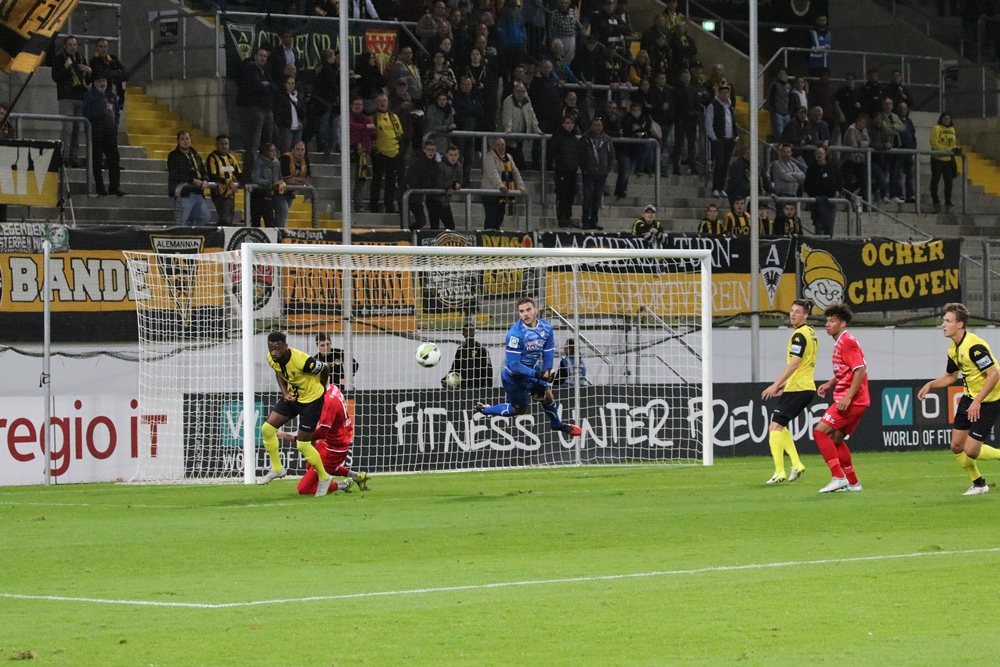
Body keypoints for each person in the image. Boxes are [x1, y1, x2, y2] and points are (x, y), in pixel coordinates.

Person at [917, 302, 1000, 496]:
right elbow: (950, 377)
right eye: (944, 320)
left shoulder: (974, 347)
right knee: (956, 446)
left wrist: (978, 401)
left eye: (948, 321)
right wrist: (931, 385)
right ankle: (979, 484)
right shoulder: (953, 349)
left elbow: (994, 374)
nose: (943, 325)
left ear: (960, 324)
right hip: (970, 398)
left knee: (971, 450)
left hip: (989, 400)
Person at [474, 297, 582, 438]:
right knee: (519, 410)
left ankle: (557, 424)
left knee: (548, 396)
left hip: (532, 371)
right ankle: (486, 410)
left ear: (536, 310)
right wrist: (538, 375)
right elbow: (514, 366)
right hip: (514, 378)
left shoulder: (546, 328)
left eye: (528, 310)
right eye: (521, 311)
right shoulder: (515, 334)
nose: (525, 314)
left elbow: (548, 352)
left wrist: (546, 373)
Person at [257, 332, 337, 497]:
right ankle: (277, 468)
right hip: (293, 397)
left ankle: (324, 477)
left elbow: (325, 368)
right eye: (271, 349)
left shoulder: (303, 361)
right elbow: (279, 372)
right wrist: (285, 392)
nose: (273, 353)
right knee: (267, 429)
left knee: (302, 444)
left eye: (277, 349)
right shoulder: (272, 359)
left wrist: (323, 388)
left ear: (285, 347)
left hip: (311, 400)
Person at [276, 382, 369, 495]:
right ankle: (356, 476)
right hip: (331, 441)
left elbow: (322, 433)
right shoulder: (332, 388)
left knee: (303, 489)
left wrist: (294, 438)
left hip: (334, 449)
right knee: (310, 464)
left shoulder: (329, 402)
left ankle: (342, 485)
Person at [760, 299, 816, 484]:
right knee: (779, 426)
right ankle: (796, 464)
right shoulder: (811, 333)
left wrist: (776, 384)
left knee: (774, 427)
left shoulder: (799, 335)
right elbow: (804, 364)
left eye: (797, 312)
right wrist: (785, 384)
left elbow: (795, 363)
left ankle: (779, 472)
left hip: (798, 387)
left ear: (805, 315)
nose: (793, 314)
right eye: (791, 311)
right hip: (804, 386)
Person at [815, 303, 868, 493]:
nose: (828, 324)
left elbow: (860, 370)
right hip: (857, 400)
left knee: (819, 433)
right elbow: (847, 371)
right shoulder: (842, 341)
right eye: (827, 321)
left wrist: (847, 397)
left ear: (843, 323)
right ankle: (853, 482)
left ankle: (837, 477)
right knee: (835, 439)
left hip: (852, 400)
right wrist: (831, 383)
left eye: (833, 321)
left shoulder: (847, 342)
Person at [51, 35, 91, 168]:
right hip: (66, 96)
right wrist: (66, 66)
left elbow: (87, 81)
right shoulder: (59, 59)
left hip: (80, 96)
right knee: (68, 128)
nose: (73, 47)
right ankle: (63, 155)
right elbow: (56, 78)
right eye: (70, 45)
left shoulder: (80, 58)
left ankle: (74, 158)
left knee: (77, 130)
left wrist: (89, 71)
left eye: (75, 45)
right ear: (65, 46)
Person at [235, 47, 274, 180]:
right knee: (253, 144)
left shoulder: (266, 72)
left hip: (267, 109)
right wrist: (266, 87)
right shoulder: (250, 69)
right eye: (261, 55)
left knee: (267, 144)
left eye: (265, 56)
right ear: (255, 56)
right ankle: (248, 174)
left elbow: (275, 88)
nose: (263, 58)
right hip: (254, 109)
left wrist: (267, 85)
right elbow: (254, 86)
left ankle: (265, 173)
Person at [81, 73, 123, 198]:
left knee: (114, 160)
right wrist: (102, 112)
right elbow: (86, 113)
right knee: (97, 161)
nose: (102, 84)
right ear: (94, 83)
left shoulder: (111, 96)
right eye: (100, 81)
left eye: (104, 81)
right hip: (97, 132)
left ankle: (114, 187)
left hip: (110, 132)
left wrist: (115, 124)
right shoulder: (89, 96)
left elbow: (117, 112)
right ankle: (100, 187)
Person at [370, 92, 404, 214]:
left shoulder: (394, 117)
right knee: (377, 180)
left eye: (384, 101)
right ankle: (373, 206)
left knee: (391, 182)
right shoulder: (372, 117)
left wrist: (399, 151)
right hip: (379, 154)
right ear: (376, 103)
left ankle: (389, 206)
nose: (382, 103)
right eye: (380, 101)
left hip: (393, 153)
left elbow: (400, 135)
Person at [167, 131, 212, 225]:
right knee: (183, 220)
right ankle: (183, 233)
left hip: (197, 192)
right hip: (184, 194)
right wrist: (192, 180)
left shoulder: (195, 155)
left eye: (187, 139)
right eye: (182, 139)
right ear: (178, 141)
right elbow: (175, 174)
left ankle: (194, 232)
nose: (185, 141)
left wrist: (205, 180)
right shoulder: (173, 155)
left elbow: (203, 170)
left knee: (205, 216)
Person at [481, 137, 526, 230]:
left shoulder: (509, 157)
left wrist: (520, 185)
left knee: (499, 218)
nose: (501, 147)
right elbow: (493, 174)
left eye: (502, 145)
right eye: (498, 145)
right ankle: (487, 236)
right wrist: (501, 186)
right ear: (493, 147)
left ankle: (495, 236)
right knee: (491, 218)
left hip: (501, 194)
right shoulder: (489, 157)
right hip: (490, 192)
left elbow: (515, 173)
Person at [579, 117, 614, 231]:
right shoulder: (585, 139)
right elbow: (581, 155)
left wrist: (607, 168)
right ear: (591, 126)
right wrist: (584, 168)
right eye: (594, 125)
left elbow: (611, 155)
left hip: (602, 174)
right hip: (588, 173)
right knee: (588, 198)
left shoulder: (607, 139)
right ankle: (585, 221)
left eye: (599, 125)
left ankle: (594, 221)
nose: (597, 127)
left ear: (602, 126)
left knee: (597, 198)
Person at [803, 146, 842, 236]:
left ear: (825, 154)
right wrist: (813, 196)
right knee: (819, 225)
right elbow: (807, 185)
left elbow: (839, 181)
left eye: (820, 153)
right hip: (817, 201)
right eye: (817, 153)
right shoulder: (812, 169)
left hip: (830, 200)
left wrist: (838, 191)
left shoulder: (833, 167)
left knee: (829, 226)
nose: (818, 155)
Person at [705, 84, 735, 198]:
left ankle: (722, 187)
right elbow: (709, 122)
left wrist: (735, 135)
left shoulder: (730, 106)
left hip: (729, 139)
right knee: (719, 163)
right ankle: (715, 188)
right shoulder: (713, 106)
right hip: (719, 139)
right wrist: (714, 137)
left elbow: (732, 121)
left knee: (726, 164)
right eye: (722, 92)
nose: (725, 95)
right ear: (719, 93)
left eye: (727, 93)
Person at [442, 323, 494, 389]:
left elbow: (488, 370)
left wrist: (489, 388)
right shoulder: (460, 350)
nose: (469, 333)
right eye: (466, 331)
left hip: (479, 387)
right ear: (463, 334)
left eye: (470, 331)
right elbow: (455, 369)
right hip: (464, 387)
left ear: (474, 332)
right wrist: (445, 379)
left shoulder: (481, 349)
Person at [404, 139, 442, 230]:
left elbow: (435, 181)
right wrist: (426, 184)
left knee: (421, 220)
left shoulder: (435, 165)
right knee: (405, 222)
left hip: (417, 195)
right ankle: (407, 235)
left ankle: (410, 234)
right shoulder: (416, 162)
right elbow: (412, 181)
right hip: (406, 193)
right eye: (429, 149)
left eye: (432, 150)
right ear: (424, 150)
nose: (431, 152)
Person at [551, 115, 581, 228]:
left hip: (572, 171)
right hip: (561, 171)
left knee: (570, 195)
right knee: (562, 195)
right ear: (563, 124)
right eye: (567, 123)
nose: (569, 126)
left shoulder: (574, 138)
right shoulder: (557, 136)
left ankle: (568, 217)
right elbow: (553, 152)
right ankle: (561, 218)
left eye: (571, 123)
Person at [206, 135, 242, 225]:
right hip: (219, 194)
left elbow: (238, 173)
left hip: (230, 194)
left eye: (226, 144)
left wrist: (245, 182)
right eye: (221, 144)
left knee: (229, 219)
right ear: (216, 145)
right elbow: (212, 175)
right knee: (225, 219)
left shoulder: (231, 158)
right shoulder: (212, 157)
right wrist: (227, 181)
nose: (224, 146)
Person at [275, 140, 311, 228]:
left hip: (290, 192)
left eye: (302, 150)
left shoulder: (305, 160)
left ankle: (277, 231)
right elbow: (287, 180)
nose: (300, 152)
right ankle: (281, 234)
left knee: (281, 215)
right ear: (292, 150)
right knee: (284, 213)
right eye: (298, 149)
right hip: (278, 192)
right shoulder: (285, 158)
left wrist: (294, 178)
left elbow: (307, 179)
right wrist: (300, 180)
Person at [88, 38, 127, 111]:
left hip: (116, 94)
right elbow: (102, 74)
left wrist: (113, 73)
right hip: (101, 95)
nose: (103, 49)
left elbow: (125, 74)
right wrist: (117, 73)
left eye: (105, 47)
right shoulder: (94, 61)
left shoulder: (113, 59)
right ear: (96, 48)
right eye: (101, 46)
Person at [930, 112, 959, 207]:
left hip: (948, 159)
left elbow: (953, 143)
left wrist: (951, 150)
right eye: (945, 118)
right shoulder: (937, 128)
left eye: (948, 119)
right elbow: (933, 142)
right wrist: (944, 150)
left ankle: (948, 200)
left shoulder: (952, 129)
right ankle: (935, 199)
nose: (946, 120)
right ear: (941, 119)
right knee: (936, 179)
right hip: (937, 158)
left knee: (949, 181)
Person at [250, 143, 282, 227]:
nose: (274, 153)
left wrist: (280, 183)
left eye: (275, 150)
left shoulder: (276, 163)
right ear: (265, 151)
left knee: (269, 221)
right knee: (256, 221)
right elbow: (255, 178)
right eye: (271, 151)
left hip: (269, 194)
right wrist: (268, 183)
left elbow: (279, 176)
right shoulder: (259, 161)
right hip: (258, 194)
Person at [273, 74, 306, 154]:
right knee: (286, 150)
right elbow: (277, 112)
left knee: (297, 151)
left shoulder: (299, 96)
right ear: (285, 84)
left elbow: (303, 110)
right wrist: (282, 125)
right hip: (287, 127)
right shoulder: (281, 97)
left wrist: (303, 122)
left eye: (293, 83)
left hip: (298, 127)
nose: (291, 85)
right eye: (289, 83)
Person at [766, 67, 791, 141]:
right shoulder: (775, 85)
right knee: (779, 134)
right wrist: (773, 110)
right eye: (780, 73)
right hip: (778, 113)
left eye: (784, 73)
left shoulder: (789, 86)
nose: (782, 75)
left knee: (787, 134)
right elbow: (770, 98)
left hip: (787, 113)